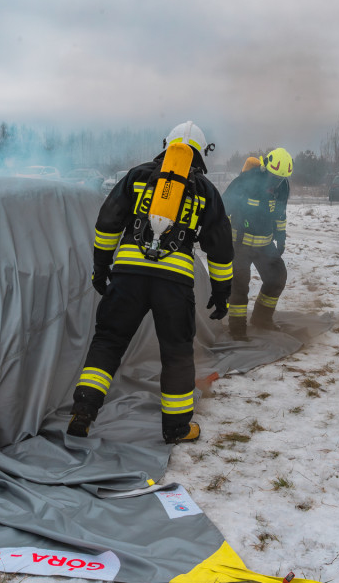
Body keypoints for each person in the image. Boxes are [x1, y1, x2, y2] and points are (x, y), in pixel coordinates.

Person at [67, 121, 234, 444]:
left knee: (109, 342)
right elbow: (220, 248)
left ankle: (83, 412)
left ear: (166, 146)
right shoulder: (205, 190)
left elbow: (107, 224)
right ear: (199, 155)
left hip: (127, 274)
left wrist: (101, 268)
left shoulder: (137, 176)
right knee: (176, 352)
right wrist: (221, 291)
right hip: (174, 282)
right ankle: (176, 428)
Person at [222, 148, 293, 341]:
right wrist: (221, 238)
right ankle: (237, 330)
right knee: (239, 287)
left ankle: (262, 319)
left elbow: (280, 213)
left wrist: (281, 237)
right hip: (240, 245)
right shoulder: (245, 182)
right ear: (264, 168)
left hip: (265, 245)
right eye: (274, 176)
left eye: (280, 178)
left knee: (277, 278)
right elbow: (222, 208)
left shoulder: (283, 186)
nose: (276, 182)